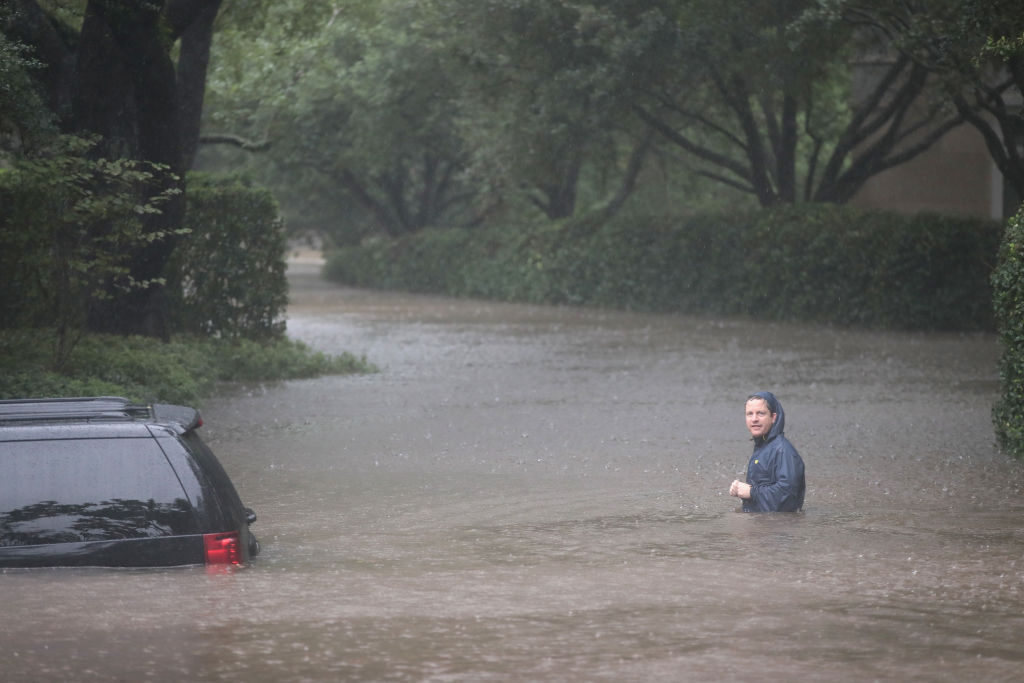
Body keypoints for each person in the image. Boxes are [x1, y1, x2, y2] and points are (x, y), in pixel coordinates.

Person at [729, 391, 805, 512]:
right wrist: (740, 490)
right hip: (762, 525)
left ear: (773, 417)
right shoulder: (763, 447)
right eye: (750, 414)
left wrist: (751, 492)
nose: (754, 419)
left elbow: (788, 496)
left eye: (760, 413)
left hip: (778, 528)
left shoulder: (783, 450)